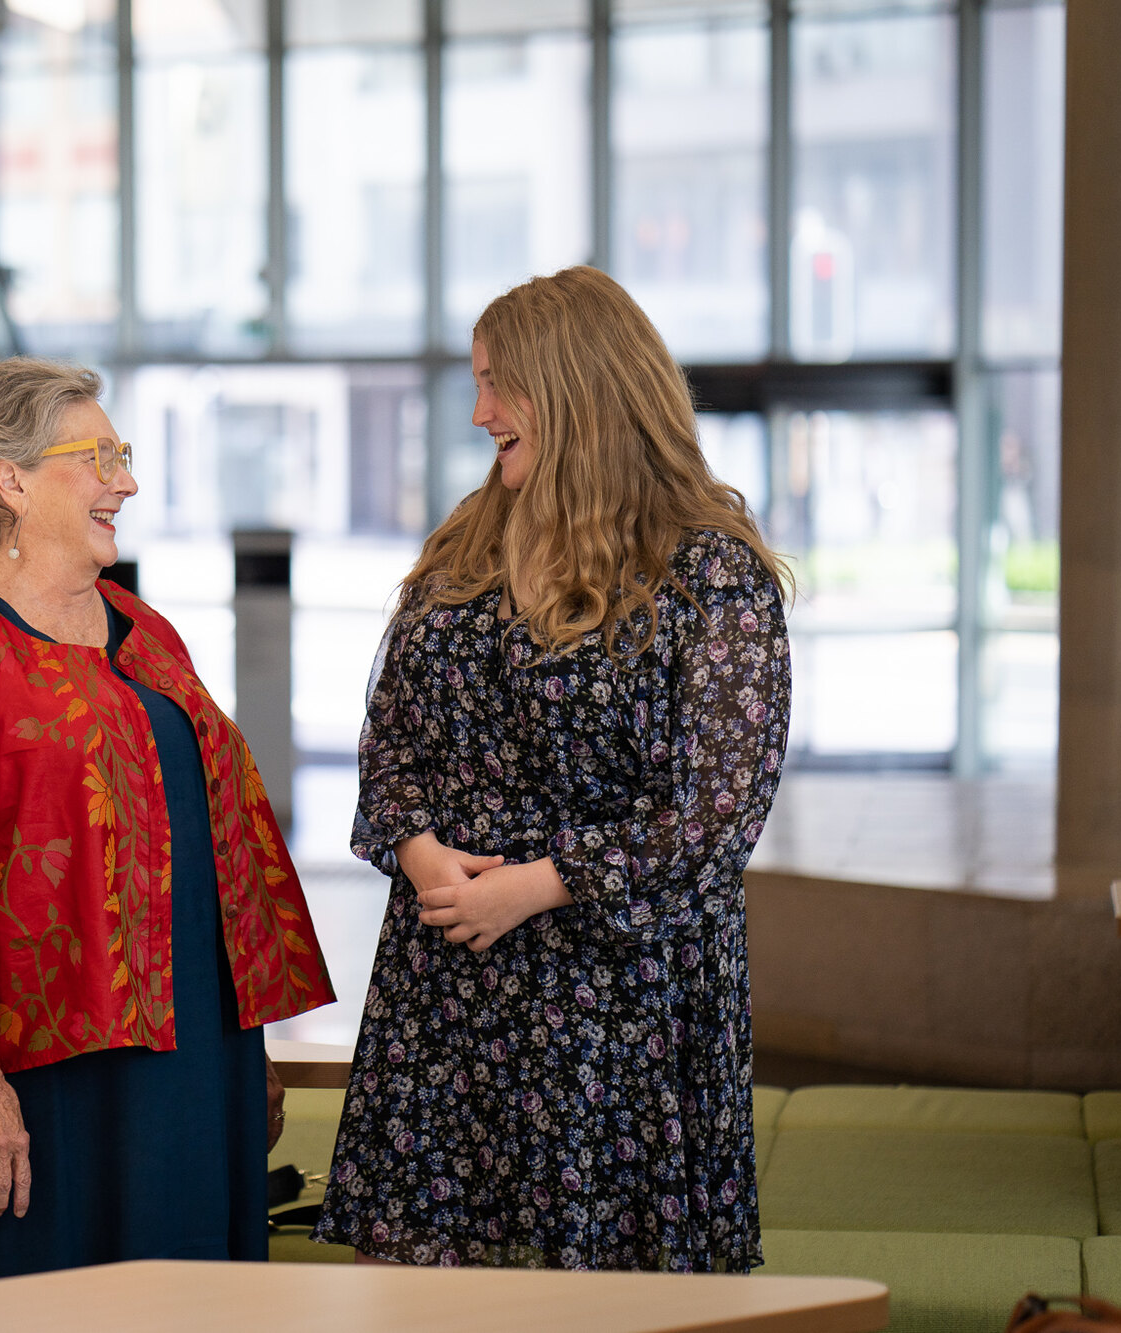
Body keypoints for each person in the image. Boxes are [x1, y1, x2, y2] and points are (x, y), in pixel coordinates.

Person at [312, 266, 792, 1273]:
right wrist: (418, 852)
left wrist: (537, 887)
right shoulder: (469, 538)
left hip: (615, 1013)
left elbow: (713, 816)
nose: (480, 412)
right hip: (448, 991)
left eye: (499, 384)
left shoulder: (708, 570)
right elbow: (388, 737)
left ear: (575, 385)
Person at [0, 357, 334, 1295]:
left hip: (192, 1054)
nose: (127, 479)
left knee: (189, 1299)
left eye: (123, 452)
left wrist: (253, 1044)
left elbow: (214, 842)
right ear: (14, 480)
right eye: (101, 454)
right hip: (37, 1074)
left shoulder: (143, 630)